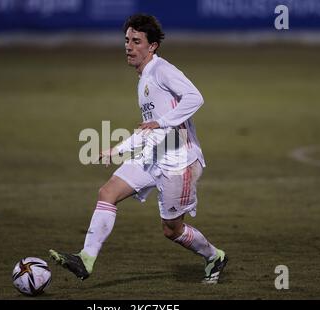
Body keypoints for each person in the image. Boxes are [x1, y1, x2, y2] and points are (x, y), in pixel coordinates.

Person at [49, 13, 227, 284]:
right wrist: (116, 149)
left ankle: (215, 256)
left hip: (178, 162)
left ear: (152, 46)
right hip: (154, 155)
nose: (129, 46)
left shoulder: (162, 70)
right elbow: (149, 131)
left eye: (136, 41)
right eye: (126, 40)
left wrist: (162, 122)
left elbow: (195, 97)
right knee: (107, 192)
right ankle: (85, 259)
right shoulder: (144, 77)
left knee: (172, 230)